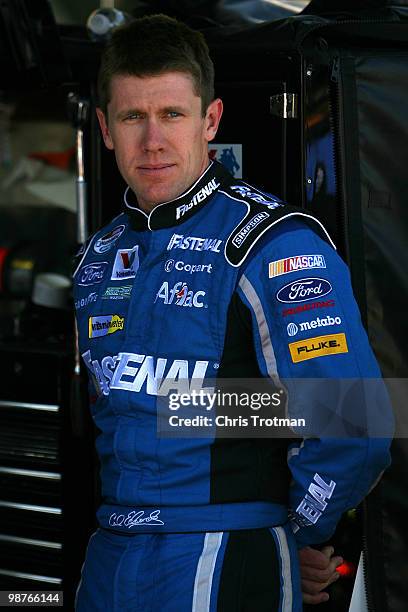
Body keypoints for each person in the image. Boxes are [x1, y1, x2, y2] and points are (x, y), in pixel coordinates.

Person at [72, 14, 391, 611]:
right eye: (132, 117)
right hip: (110, 551)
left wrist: (297, 531)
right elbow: (138, 405)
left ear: (210, 121)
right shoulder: (99, 254)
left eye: (172, 114)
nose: (153, 141)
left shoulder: (273, 244)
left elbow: (355, 423)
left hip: (222, 551)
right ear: (105, 129)